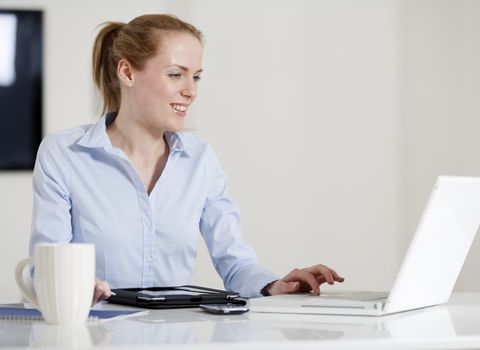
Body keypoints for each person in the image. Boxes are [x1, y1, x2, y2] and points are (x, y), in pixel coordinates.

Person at [29, 14, 344, 304]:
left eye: (196, 77)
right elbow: (44, 266)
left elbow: (235, 261)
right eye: (176, 74)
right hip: (95, 334)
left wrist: (276, 285)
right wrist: (76, 285)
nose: (190, 91)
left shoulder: (200, 158)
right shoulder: (64, 153)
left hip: (178, 335)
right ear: (127, 72)